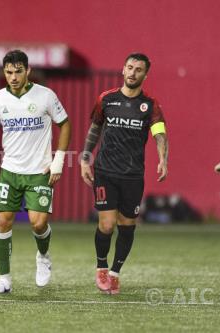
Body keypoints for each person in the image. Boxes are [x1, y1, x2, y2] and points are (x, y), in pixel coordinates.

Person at [0, 50, 71, 293]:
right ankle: (5, 280)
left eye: (18, 71)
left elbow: (65, 124)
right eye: (9, 72)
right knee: (3, 222)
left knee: (38, 224)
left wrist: (58, 160)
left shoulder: (45, 96)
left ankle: (43, 256)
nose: (14, 77)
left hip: (39, 170)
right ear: (4, 72)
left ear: (28, 71)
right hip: (10, 171)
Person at [80, 53, 168, 295]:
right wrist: (85, 157)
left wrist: (163, 158)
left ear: (145, 75)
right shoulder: (106, 99)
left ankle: (115, 273)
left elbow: (159, 134)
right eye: (129, 67)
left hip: (133, 176)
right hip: (105, 171)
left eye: (138, 70)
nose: (132, 73)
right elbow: (95, 127)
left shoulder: (150, 105)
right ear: (123, 69)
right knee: (107, 225)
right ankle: (101, 267)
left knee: (127, 225)